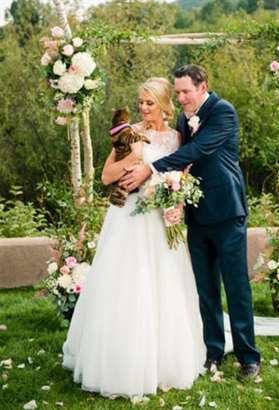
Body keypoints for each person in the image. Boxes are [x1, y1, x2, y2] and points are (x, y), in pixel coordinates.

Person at [62, 77, 207, 397]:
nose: (143, 108)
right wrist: (135, 155)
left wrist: (175, 201)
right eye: (140, 102)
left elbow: (181, 177)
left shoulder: (177, 137)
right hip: (127, 218)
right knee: (125, 286)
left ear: (165, 105)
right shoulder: (129, 134)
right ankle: (118, 360)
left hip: (158, 221)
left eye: (149, 103)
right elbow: (106, 176)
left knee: (163, 287)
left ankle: (163, 361)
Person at [121, 65, 261, 378]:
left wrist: (150, 169)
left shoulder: (223, 111)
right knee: (206, 289)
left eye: (186, 91)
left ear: (202, 87)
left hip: (227, 212)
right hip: (196, 215)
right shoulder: (185, 118)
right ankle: (213, 351)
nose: (181, 98)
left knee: (236, 287)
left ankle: (248, 357)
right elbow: (185, 163)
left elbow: (197, 149)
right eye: (178, 92)